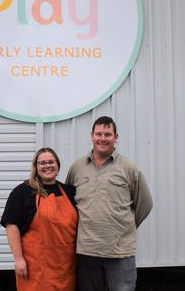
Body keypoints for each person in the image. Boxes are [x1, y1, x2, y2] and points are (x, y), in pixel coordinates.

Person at [65, 116, 153, 291]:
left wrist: (123, 226)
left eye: (107, 134)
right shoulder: (77, 168)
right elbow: (67, 204)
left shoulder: (129, 168)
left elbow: (145, 204)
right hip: (87, 251)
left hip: (119, 252)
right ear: (91, 136)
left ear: (116, 137)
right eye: (98, 134)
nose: (102, 138)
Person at [0, 147, 78, 291]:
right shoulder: (23, 192)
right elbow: (11, 225)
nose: (47, 166)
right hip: (36, 267)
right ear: (36, 167)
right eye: (42, 163)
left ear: (58, 165)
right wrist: (18, 259)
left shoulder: (68, 191)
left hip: (66, 267)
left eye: (51, 162)